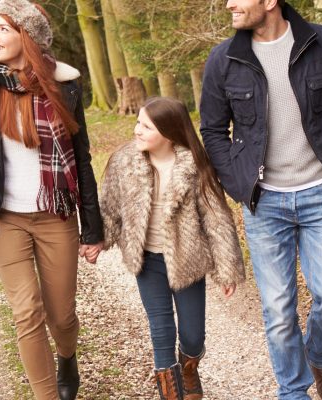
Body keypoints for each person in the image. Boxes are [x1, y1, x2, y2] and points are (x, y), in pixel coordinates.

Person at [199, 1, 322, 399]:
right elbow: (212, 129)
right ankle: (292, 390)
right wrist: (239, 183)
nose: (229, 4)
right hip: (264, 200)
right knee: (277, 310)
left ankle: (320, 356)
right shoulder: (223, 59)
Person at [0, 1, 103, 398]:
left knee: (62, 317)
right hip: (5, 220)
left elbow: (81, 158)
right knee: (27, 313)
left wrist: (93, 229)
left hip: (55, 216)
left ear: (28, 37)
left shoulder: (64, 86)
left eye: (4, 28)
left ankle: (66, 357)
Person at [99, 97, 246, 400]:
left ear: (168, 132)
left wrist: (227, 269)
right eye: (137, 122)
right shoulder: (124, 161)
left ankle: (189, 367)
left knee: (193, 336)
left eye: (146, 126)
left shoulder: (195, 165)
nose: (136, 130)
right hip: (147, 261)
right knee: (161, 331)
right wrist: (97, 240)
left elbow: (216, 219)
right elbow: (110, 208)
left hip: (186, 260)